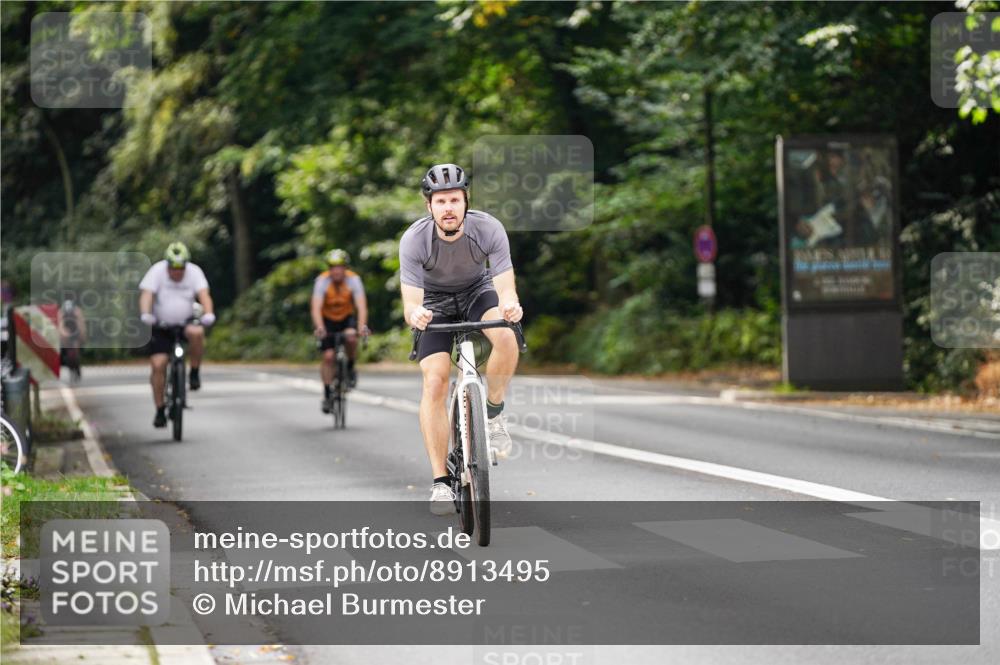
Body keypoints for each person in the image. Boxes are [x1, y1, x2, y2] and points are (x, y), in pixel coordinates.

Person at [398, 163, 523, 515]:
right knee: (435, 382)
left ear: (466, 202)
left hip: (476, 293)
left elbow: (504, 285)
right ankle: (440, 482)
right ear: (429, 207)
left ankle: (494, 413)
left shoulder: (488, 228)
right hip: (433, 303)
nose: (448, 208)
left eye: (454, 200)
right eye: (440, 202)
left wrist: (510, 305)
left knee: (506, 336)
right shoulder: (414, 239)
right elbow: (410, 301)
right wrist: (416, 314)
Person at [138, 242, 215, 428]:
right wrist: (146, 314)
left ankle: (194, 372)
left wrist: (208, 313)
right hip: (162, 325)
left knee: (197, 333)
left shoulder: (194, 272)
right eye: (173, 268)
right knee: (158, 364)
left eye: (181, 268)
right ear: (168, 265)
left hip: (185, 322)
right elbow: (147, 295)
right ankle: (159, 409)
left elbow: (204, 295)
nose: (177, 272)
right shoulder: (157, 271)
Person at [311, 249, 370, 412]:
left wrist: (361, 327)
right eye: (332, 267)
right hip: (327, 320)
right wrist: (320, 327)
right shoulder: (322, 281)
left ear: (345, 268)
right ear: (329, 269)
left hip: (346, 318)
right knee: (328, 356)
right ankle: (327, 393)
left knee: (351, 338)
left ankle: (350, 367)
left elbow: (361, 306)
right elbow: (316, 308)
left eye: (340, 267)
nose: (336, 271)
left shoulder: (353, 280)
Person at [58, 299, 86, 381]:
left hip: (76, 333)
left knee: (75, 351)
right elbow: (61, 325)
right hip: (66, 332)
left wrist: (82, 336)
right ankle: (70, 368)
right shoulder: (61, 312)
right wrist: (63, 335)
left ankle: (77, 368)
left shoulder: (77, 311)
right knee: (68, 352)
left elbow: (81, 324)